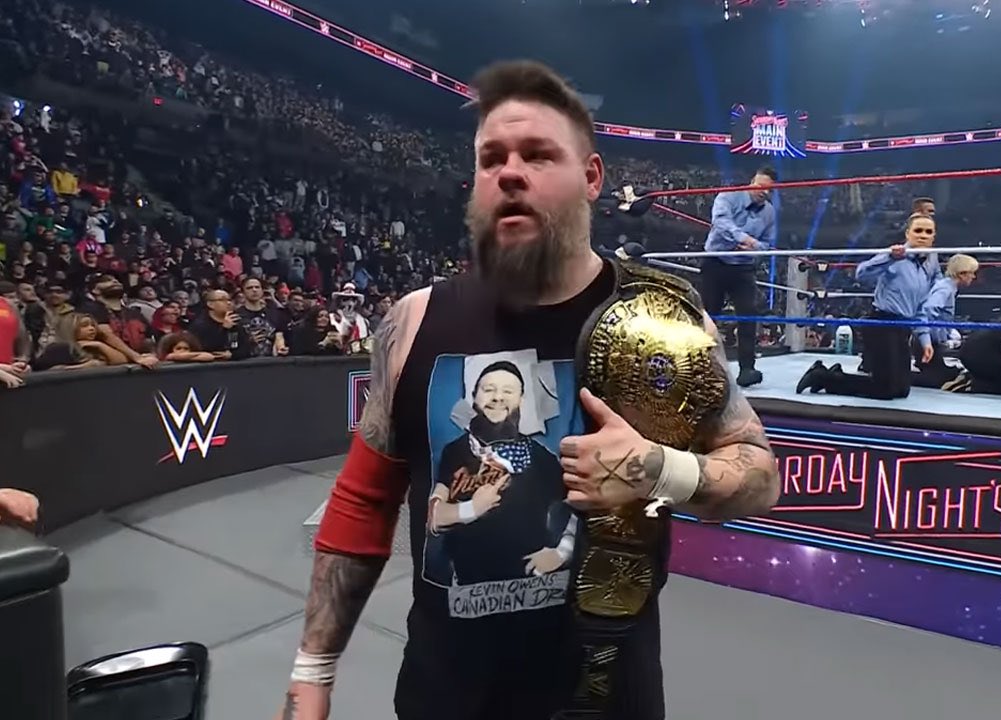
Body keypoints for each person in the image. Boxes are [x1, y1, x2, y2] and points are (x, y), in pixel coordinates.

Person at [276, 60, 780, 720]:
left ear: (592, 177)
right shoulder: (413, 322)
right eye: (492, 159)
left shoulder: (665, 320)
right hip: (445, 697)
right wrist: (311, 675)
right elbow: (364, 501)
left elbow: (758, 475)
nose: (510, 172)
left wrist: (660, 469)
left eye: (538, 154)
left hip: (606, 698)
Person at [796, 213, 940, 399]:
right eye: (918, 230)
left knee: (902, 390)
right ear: (907, 234)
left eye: (928, 232)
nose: (923, 236)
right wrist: (889, 257)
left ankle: (834, 375)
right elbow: (861, 273)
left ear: (933, 236)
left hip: (903, 328)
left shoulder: (927, 265)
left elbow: (920, 307)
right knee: (885, 390)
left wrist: (925, 340)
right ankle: (822, 377)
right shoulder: (895, 257)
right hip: (882, 324)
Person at [701, 166, 777, 387]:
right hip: (716, 262)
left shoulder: (769, 212)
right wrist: (745, 239)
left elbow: (768, 244)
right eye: (761, 186)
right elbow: (721, 223)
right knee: (708, 315)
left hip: (744, 267)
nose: (764, 192)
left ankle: (747, 369)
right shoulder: (728, 196)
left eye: (769, 190)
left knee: (748, 316)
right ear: (752, 181)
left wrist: (755, 247)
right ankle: (701, 366)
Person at [912, 254, 978, 387]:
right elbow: (929, 309)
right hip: (926, 341)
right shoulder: (945, 288)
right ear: (962, 274)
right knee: (937, 380)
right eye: (972, 273)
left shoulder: (949, 286)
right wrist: (930, 334)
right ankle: (898, 377)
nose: (973, 277)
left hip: (931, 339)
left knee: (951, 373)